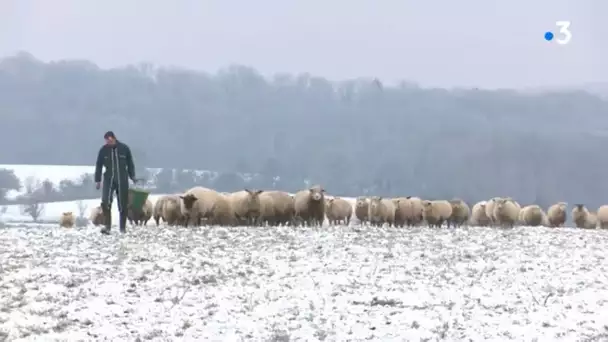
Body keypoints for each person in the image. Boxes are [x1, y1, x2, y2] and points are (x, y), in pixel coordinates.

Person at [94, 131, 136, 234]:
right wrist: (98, 180)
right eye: (107, 141)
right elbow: (99, 165)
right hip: (109, 178)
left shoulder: (124, 148)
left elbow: (130, 163)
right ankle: (107, 227)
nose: (109, 142)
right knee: (105, 202)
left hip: (122, 178)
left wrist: (132, 176)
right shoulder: (103, 150)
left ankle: (122, 228)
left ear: (114, 138)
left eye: (110, 140)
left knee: (123, 203)